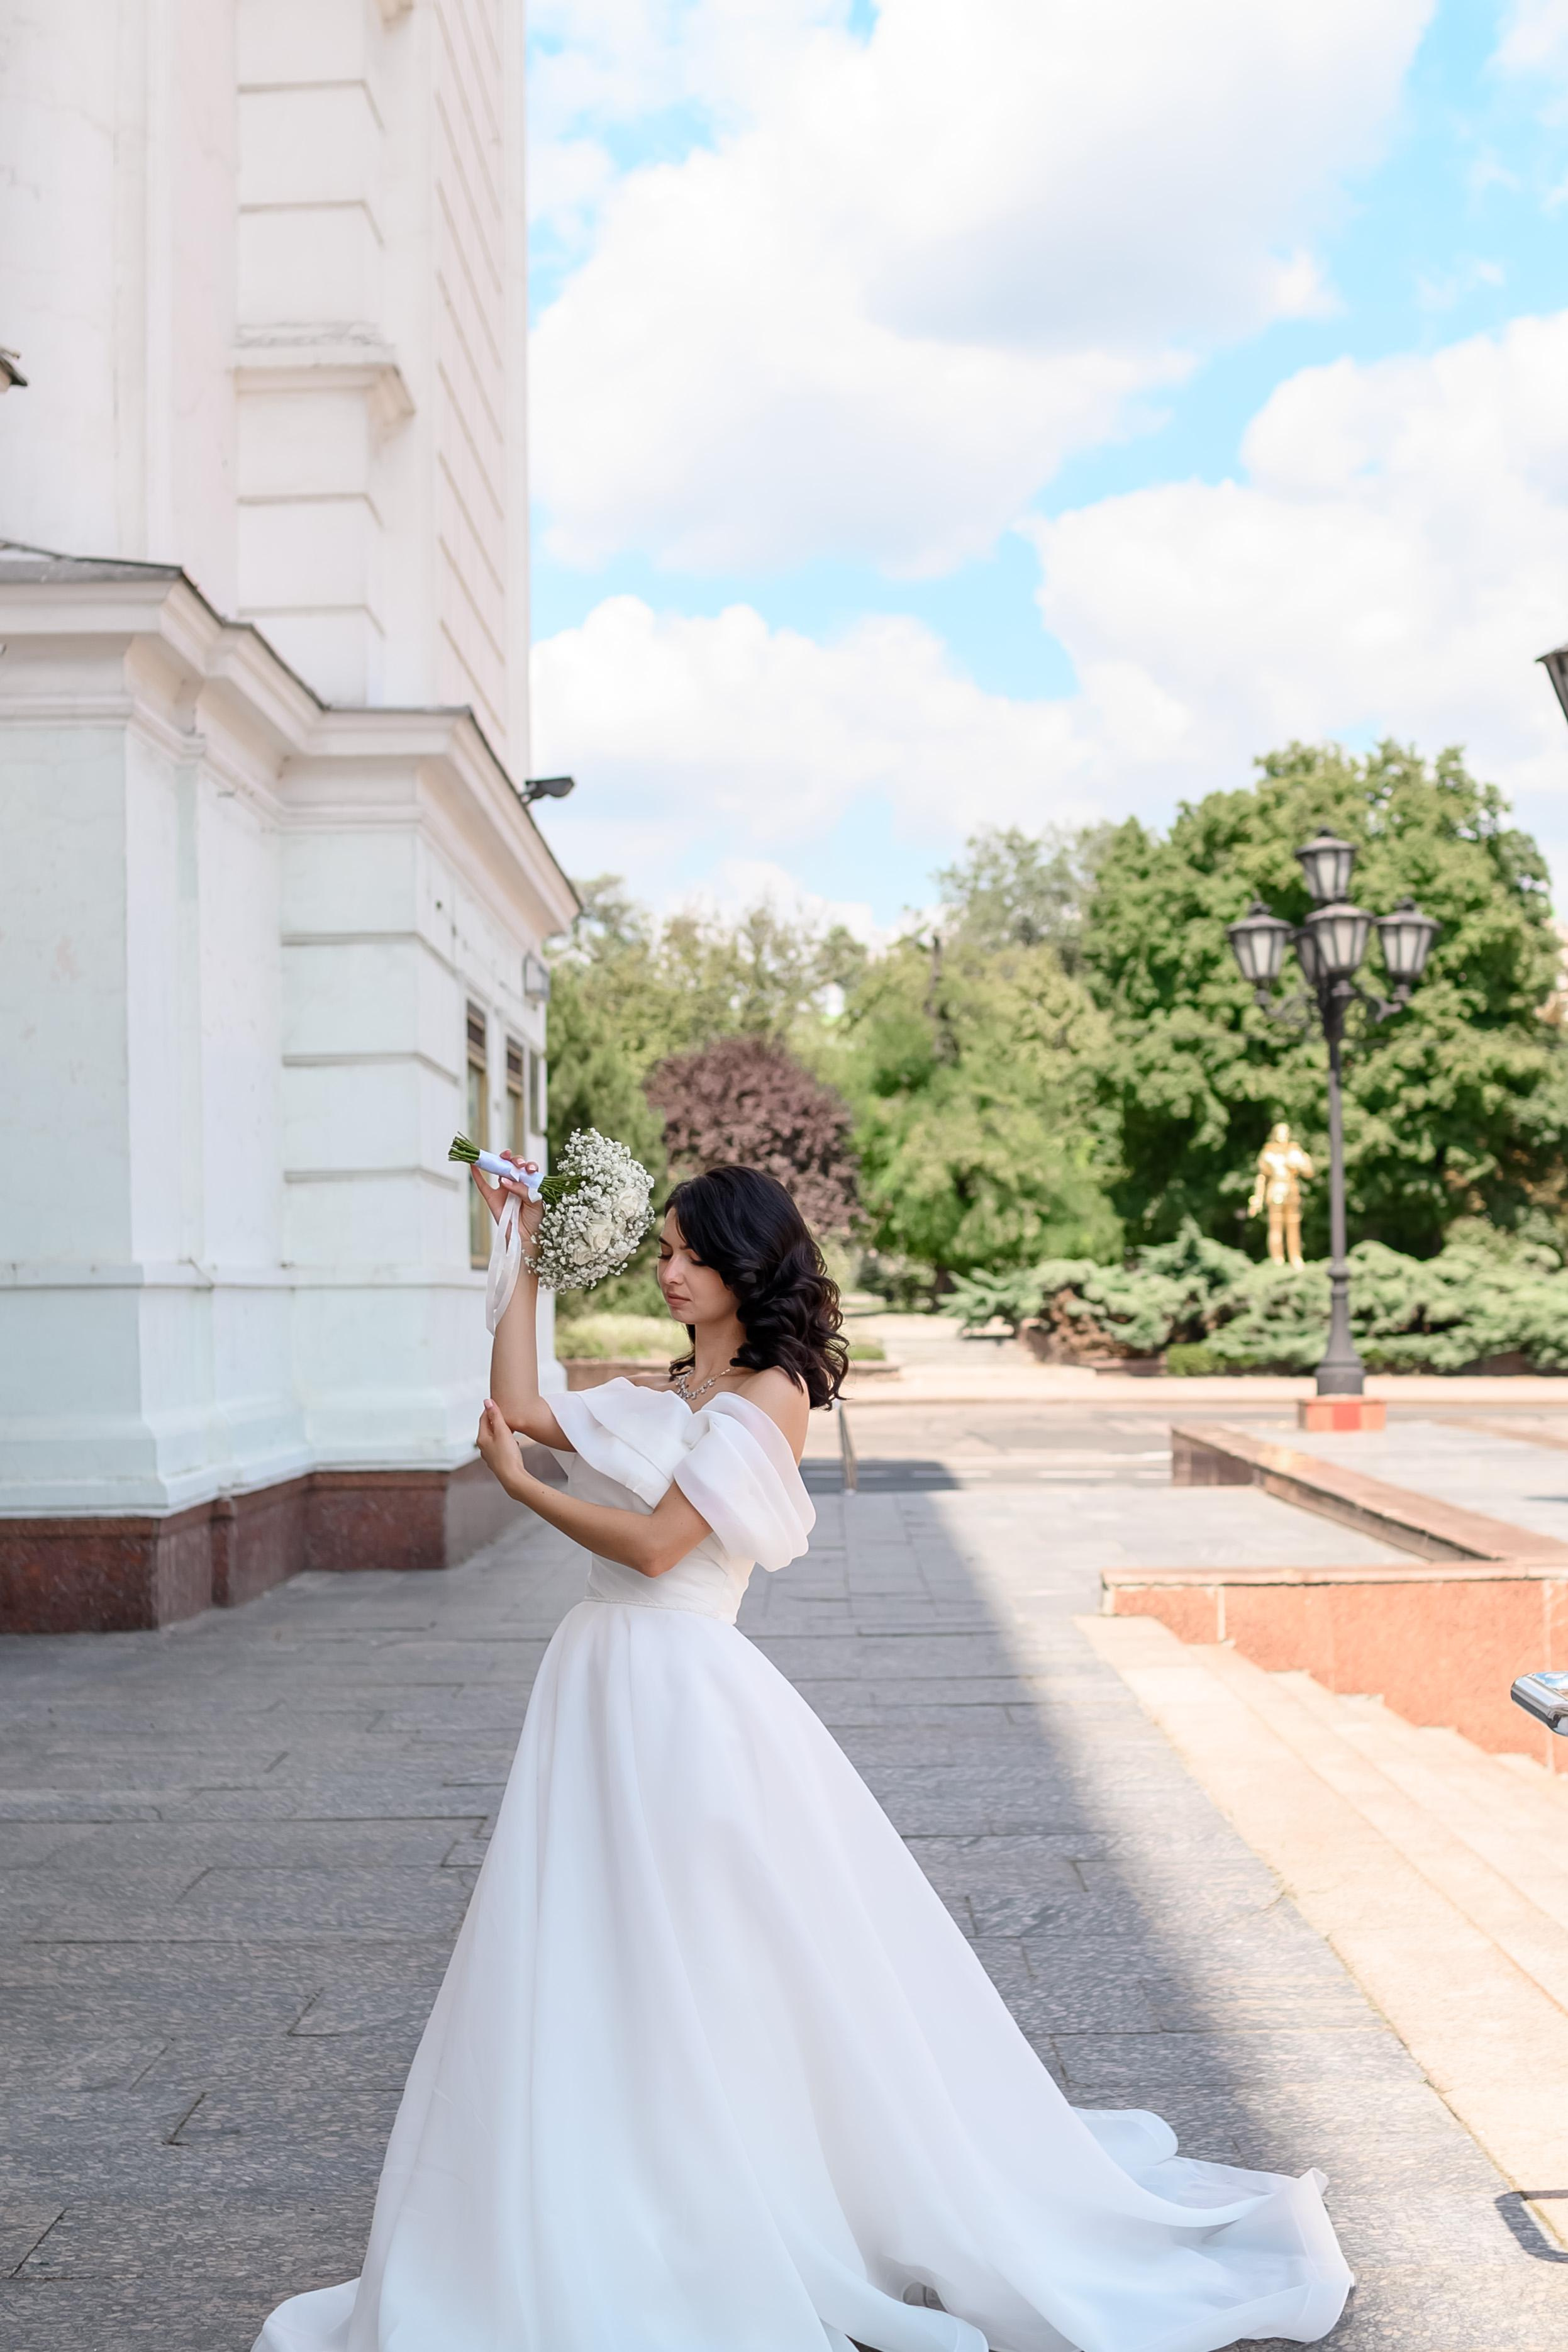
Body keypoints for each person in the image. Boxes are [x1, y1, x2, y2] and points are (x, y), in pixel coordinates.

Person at [253, 1159, 1352, 2352]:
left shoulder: (770, 1396)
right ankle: (618, 2184)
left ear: (745, 1263)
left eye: (691, 1253)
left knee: (698, 1948)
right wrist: (513, 1244)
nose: (670, 1271)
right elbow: (517, 1402)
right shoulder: (675, 1386)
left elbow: (661, 1547)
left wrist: (523, 1494)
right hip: (597, 1679)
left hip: (680, 1694)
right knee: (589, 1938)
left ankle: (721, 2190)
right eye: (662, 1251)